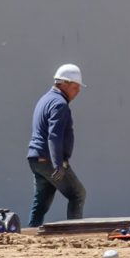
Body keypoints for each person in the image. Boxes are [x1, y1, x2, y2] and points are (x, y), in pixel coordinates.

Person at [26, 62, 86, 226]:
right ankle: (74, 234)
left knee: (41, 203)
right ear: (64, 84)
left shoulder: (45, 99)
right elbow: (54, 136)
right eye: (75, 87)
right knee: (77, 194)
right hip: (49, 161)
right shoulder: (59, 104)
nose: (78, 91)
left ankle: (32, 236)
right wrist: (58, 164)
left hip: (36, 159)